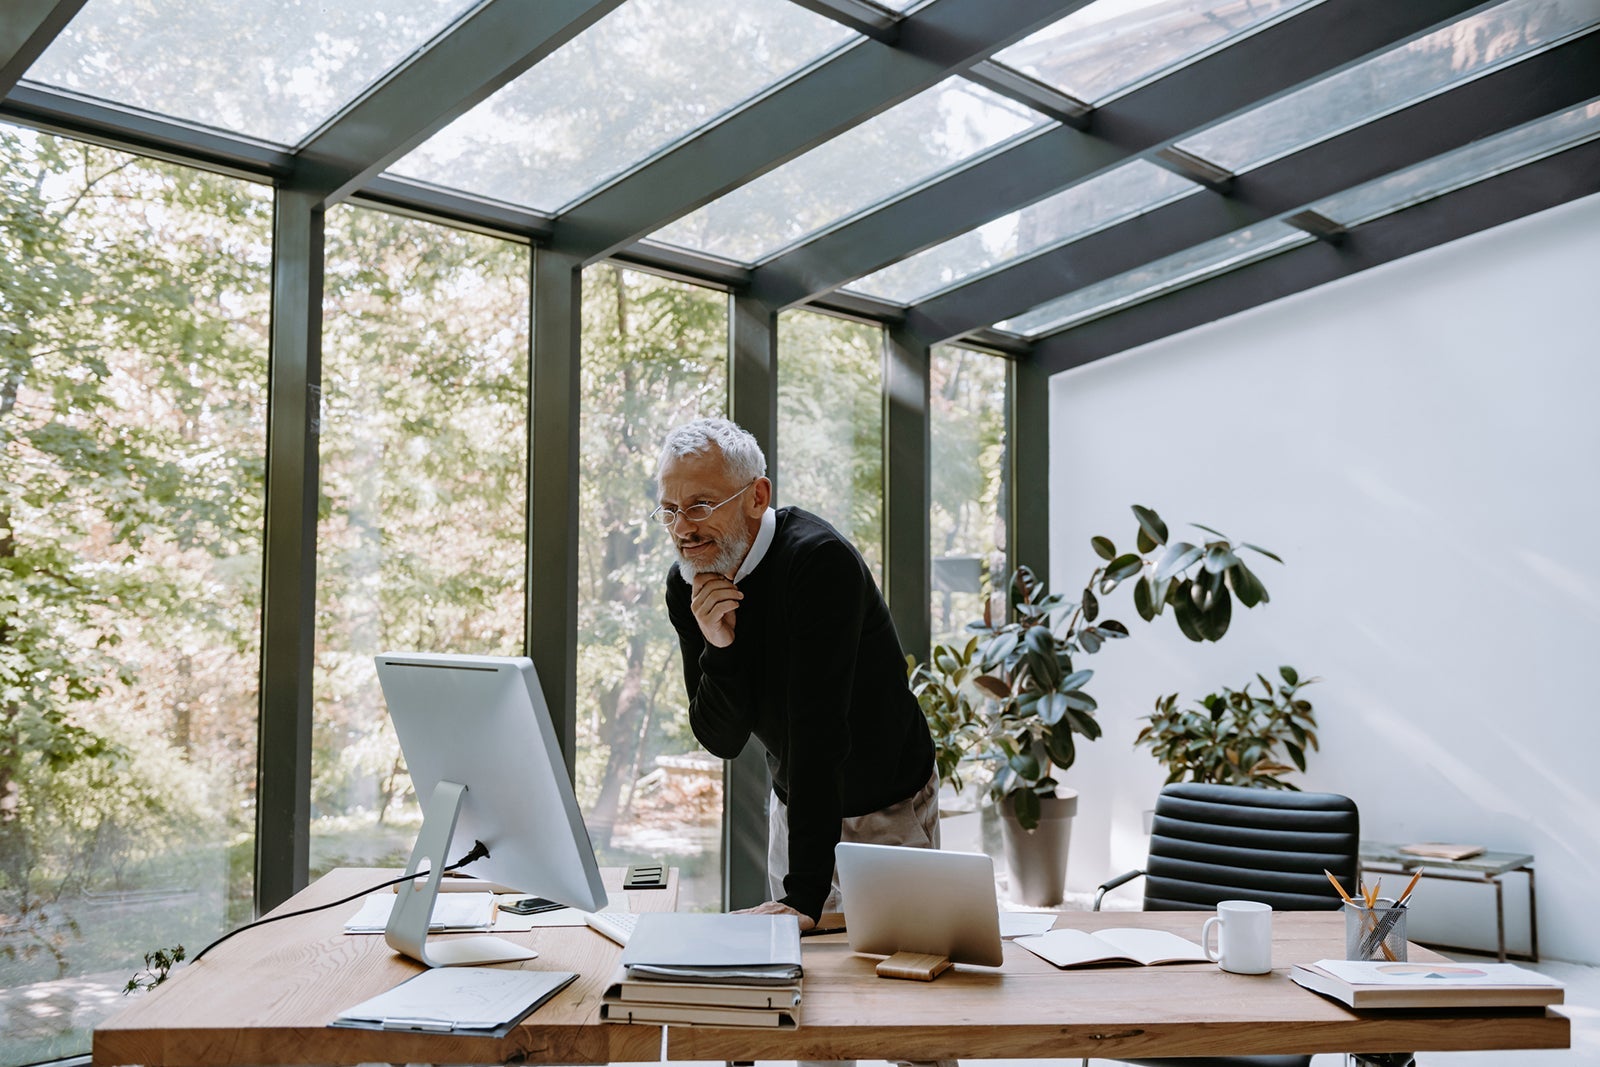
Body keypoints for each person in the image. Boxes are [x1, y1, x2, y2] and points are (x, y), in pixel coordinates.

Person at [655, 417, 942, 930]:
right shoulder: (689, 585)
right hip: (798, 803)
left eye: (700, 506)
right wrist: (720, 649)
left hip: (886, 801)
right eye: (671, 510)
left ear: (757, 496)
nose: (683, 528)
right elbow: (720, 737)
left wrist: (803, 895)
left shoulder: (818, 562)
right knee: (801, 973)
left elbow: (818, 730)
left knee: (896, 983)